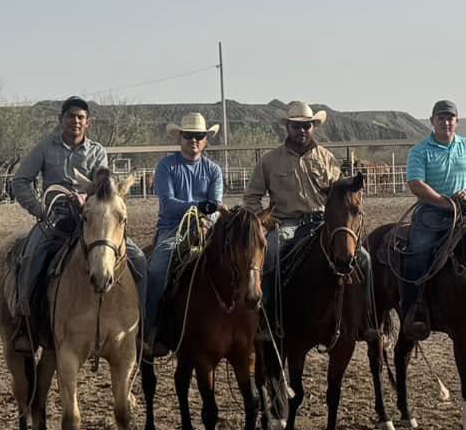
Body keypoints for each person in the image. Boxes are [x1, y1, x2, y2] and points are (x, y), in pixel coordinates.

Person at [8, 97, 112, 334]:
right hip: (54, 219)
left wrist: (87, 198)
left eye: (80, 117)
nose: (75, 121)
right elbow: (21, 181)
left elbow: (102, 188)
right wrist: (39, 209)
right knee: (32, 255)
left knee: (129, 255)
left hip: (89, 218)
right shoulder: (45, 148)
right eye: (70, 116)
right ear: (61, 120)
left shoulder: (97, 152)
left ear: (88, 123)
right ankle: (24, 320)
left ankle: (131, 321)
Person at [398, 99, 466, 340]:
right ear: (432, 122)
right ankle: (412, 309)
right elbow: (416, 184)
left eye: (450, 118)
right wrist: (443, 202)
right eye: (441, 118)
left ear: (457, 122)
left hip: (465, 214)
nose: (446, 122)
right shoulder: (420, 151)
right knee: (417, 255)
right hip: (430, 215)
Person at [142, 112, 225, 353]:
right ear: (180, 138)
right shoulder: (167, 166)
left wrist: (208, 216)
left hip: (206, 227)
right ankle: (149, 329)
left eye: (199, 136)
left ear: (206, 139)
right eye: (189, 136)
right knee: (156, 269)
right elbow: (167, 203)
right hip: (172, 229)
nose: (194, 140)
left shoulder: (213, 170)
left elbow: (216, 204)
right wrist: (199, 207)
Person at [245, 100, 342, 278]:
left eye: (306, 125)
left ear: (314, 127)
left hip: (322, 223)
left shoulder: (327, 158)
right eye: (296, 126)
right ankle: (268, 302)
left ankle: (365, 305)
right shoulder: (269, 160)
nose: (302, 130)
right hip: (286, 225)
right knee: (271, 251)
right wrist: (265, 220)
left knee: (362, 257)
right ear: (288, 127)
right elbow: (251, 197)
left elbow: (339, 196)